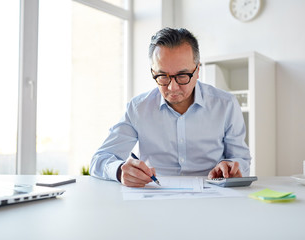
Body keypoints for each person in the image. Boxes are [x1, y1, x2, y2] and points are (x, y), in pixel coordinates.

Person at [90, 27, 251, 187]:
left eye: (182, 75)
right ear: (153, 71)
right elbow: (99, 159)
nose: (172, 88)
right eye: (162, 76)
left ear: (197, 70)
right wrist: (119, 171)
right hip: (155, 195)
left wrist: (232, 166)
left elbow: (241, 159)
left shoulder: (226, 104)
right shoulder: (138, 108)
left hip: (212, 194)